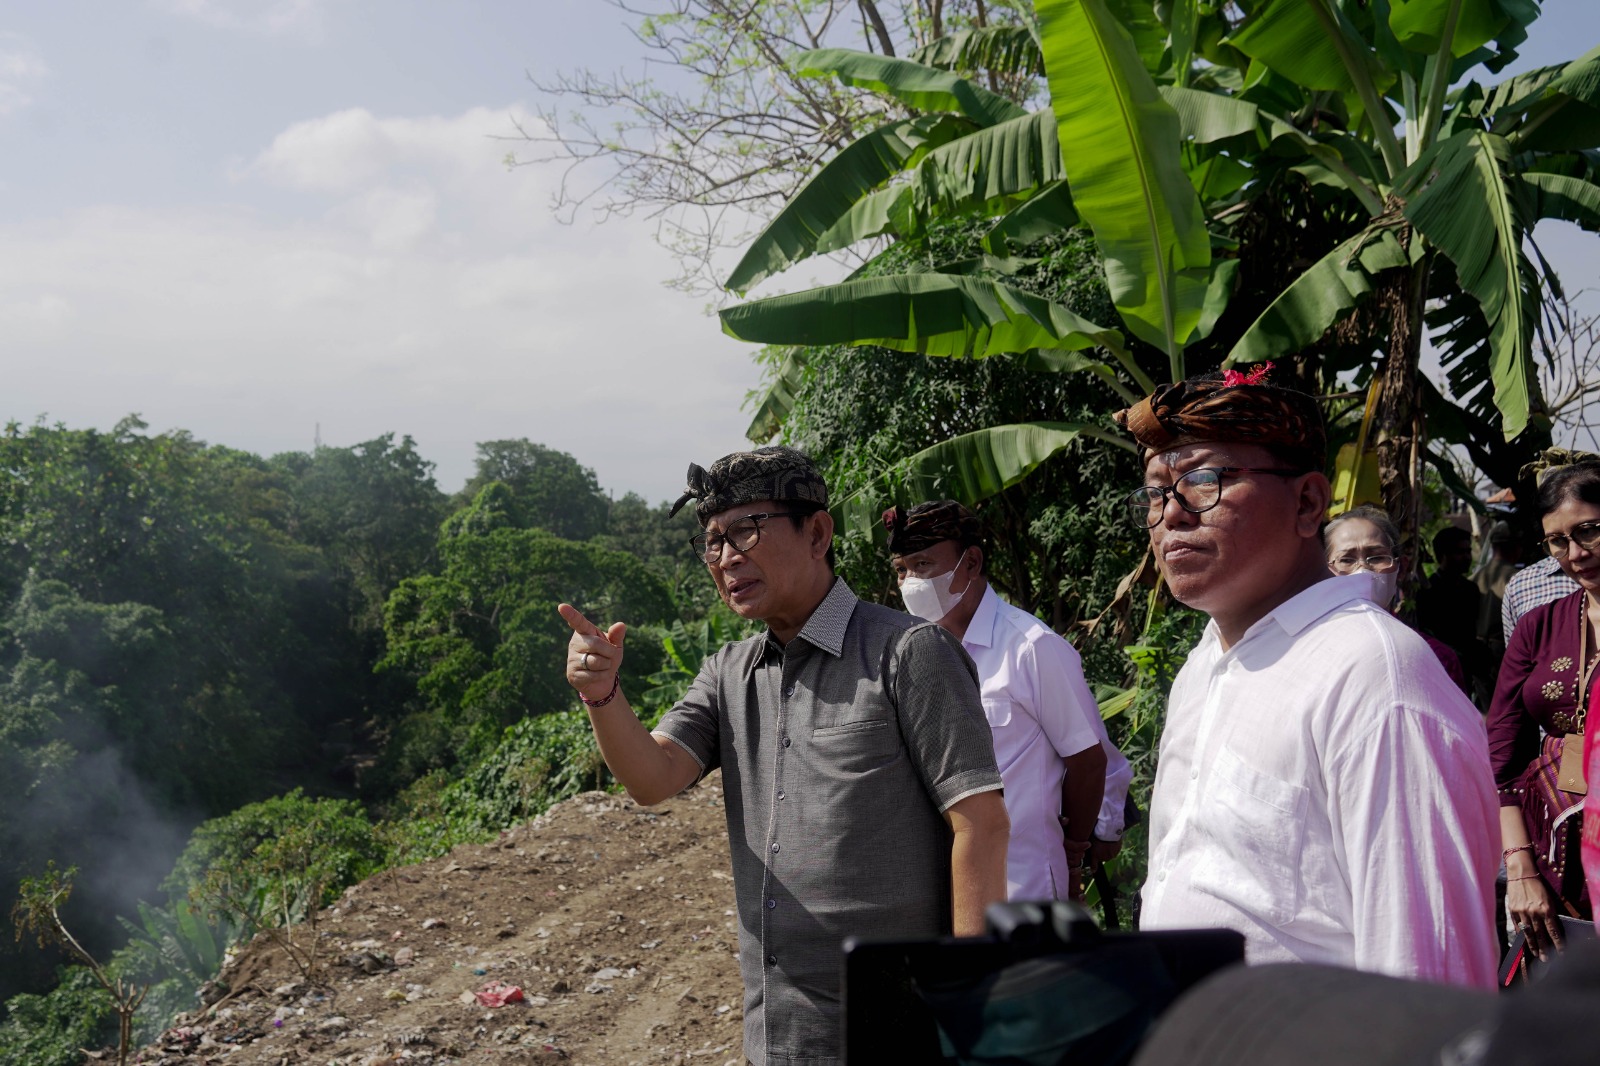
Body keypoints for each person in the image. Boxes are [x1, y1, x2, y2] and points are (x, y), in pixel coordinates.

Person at [559, 445, 1008, 1066]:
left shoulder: (907, 653)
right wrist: (602, 693)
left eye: (745, 530)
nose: (725, 557)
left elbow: (980, 824)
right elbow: (653, 777)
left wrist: (971, 1003)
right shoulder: (729, 673)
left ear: (817, 532)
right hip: (779, 1032)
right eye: (711, 542)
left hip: (897, 1031)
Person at [1113, 371, 1499, 987]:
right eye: (1156, 493)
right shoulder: (1203, 663)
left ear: (1307, 504)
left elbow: (1429, 984)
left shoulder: (1374, 676)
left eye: (1204, 481)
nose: (1171, 515)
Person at [883, 499, 1134, 903]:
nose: (910, 581)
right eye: (901, 570)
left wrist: (1074, 852)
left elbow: (1089, 761)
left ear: (971, 562)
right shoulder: (911, 654)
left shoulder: (1030, 648)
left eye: (923, 564)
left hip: (1025, 886)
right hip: (945, 891)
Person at [1488, 460, 1600, 959]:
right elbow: (1504, 754)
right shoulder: (1538, 626)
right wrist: (1519, 868)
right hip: (1555, 856)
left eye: (1589, 531)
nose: (1575, 554)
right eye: (1558, 541)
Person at [1322, 505, 1468, 692]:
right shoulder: (1305, 650)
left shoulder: (1437, 658)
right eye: (1346, 559)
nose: (1362, 570)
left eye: (1376, 558)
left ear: (1402, 568)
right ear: (1325, 570)